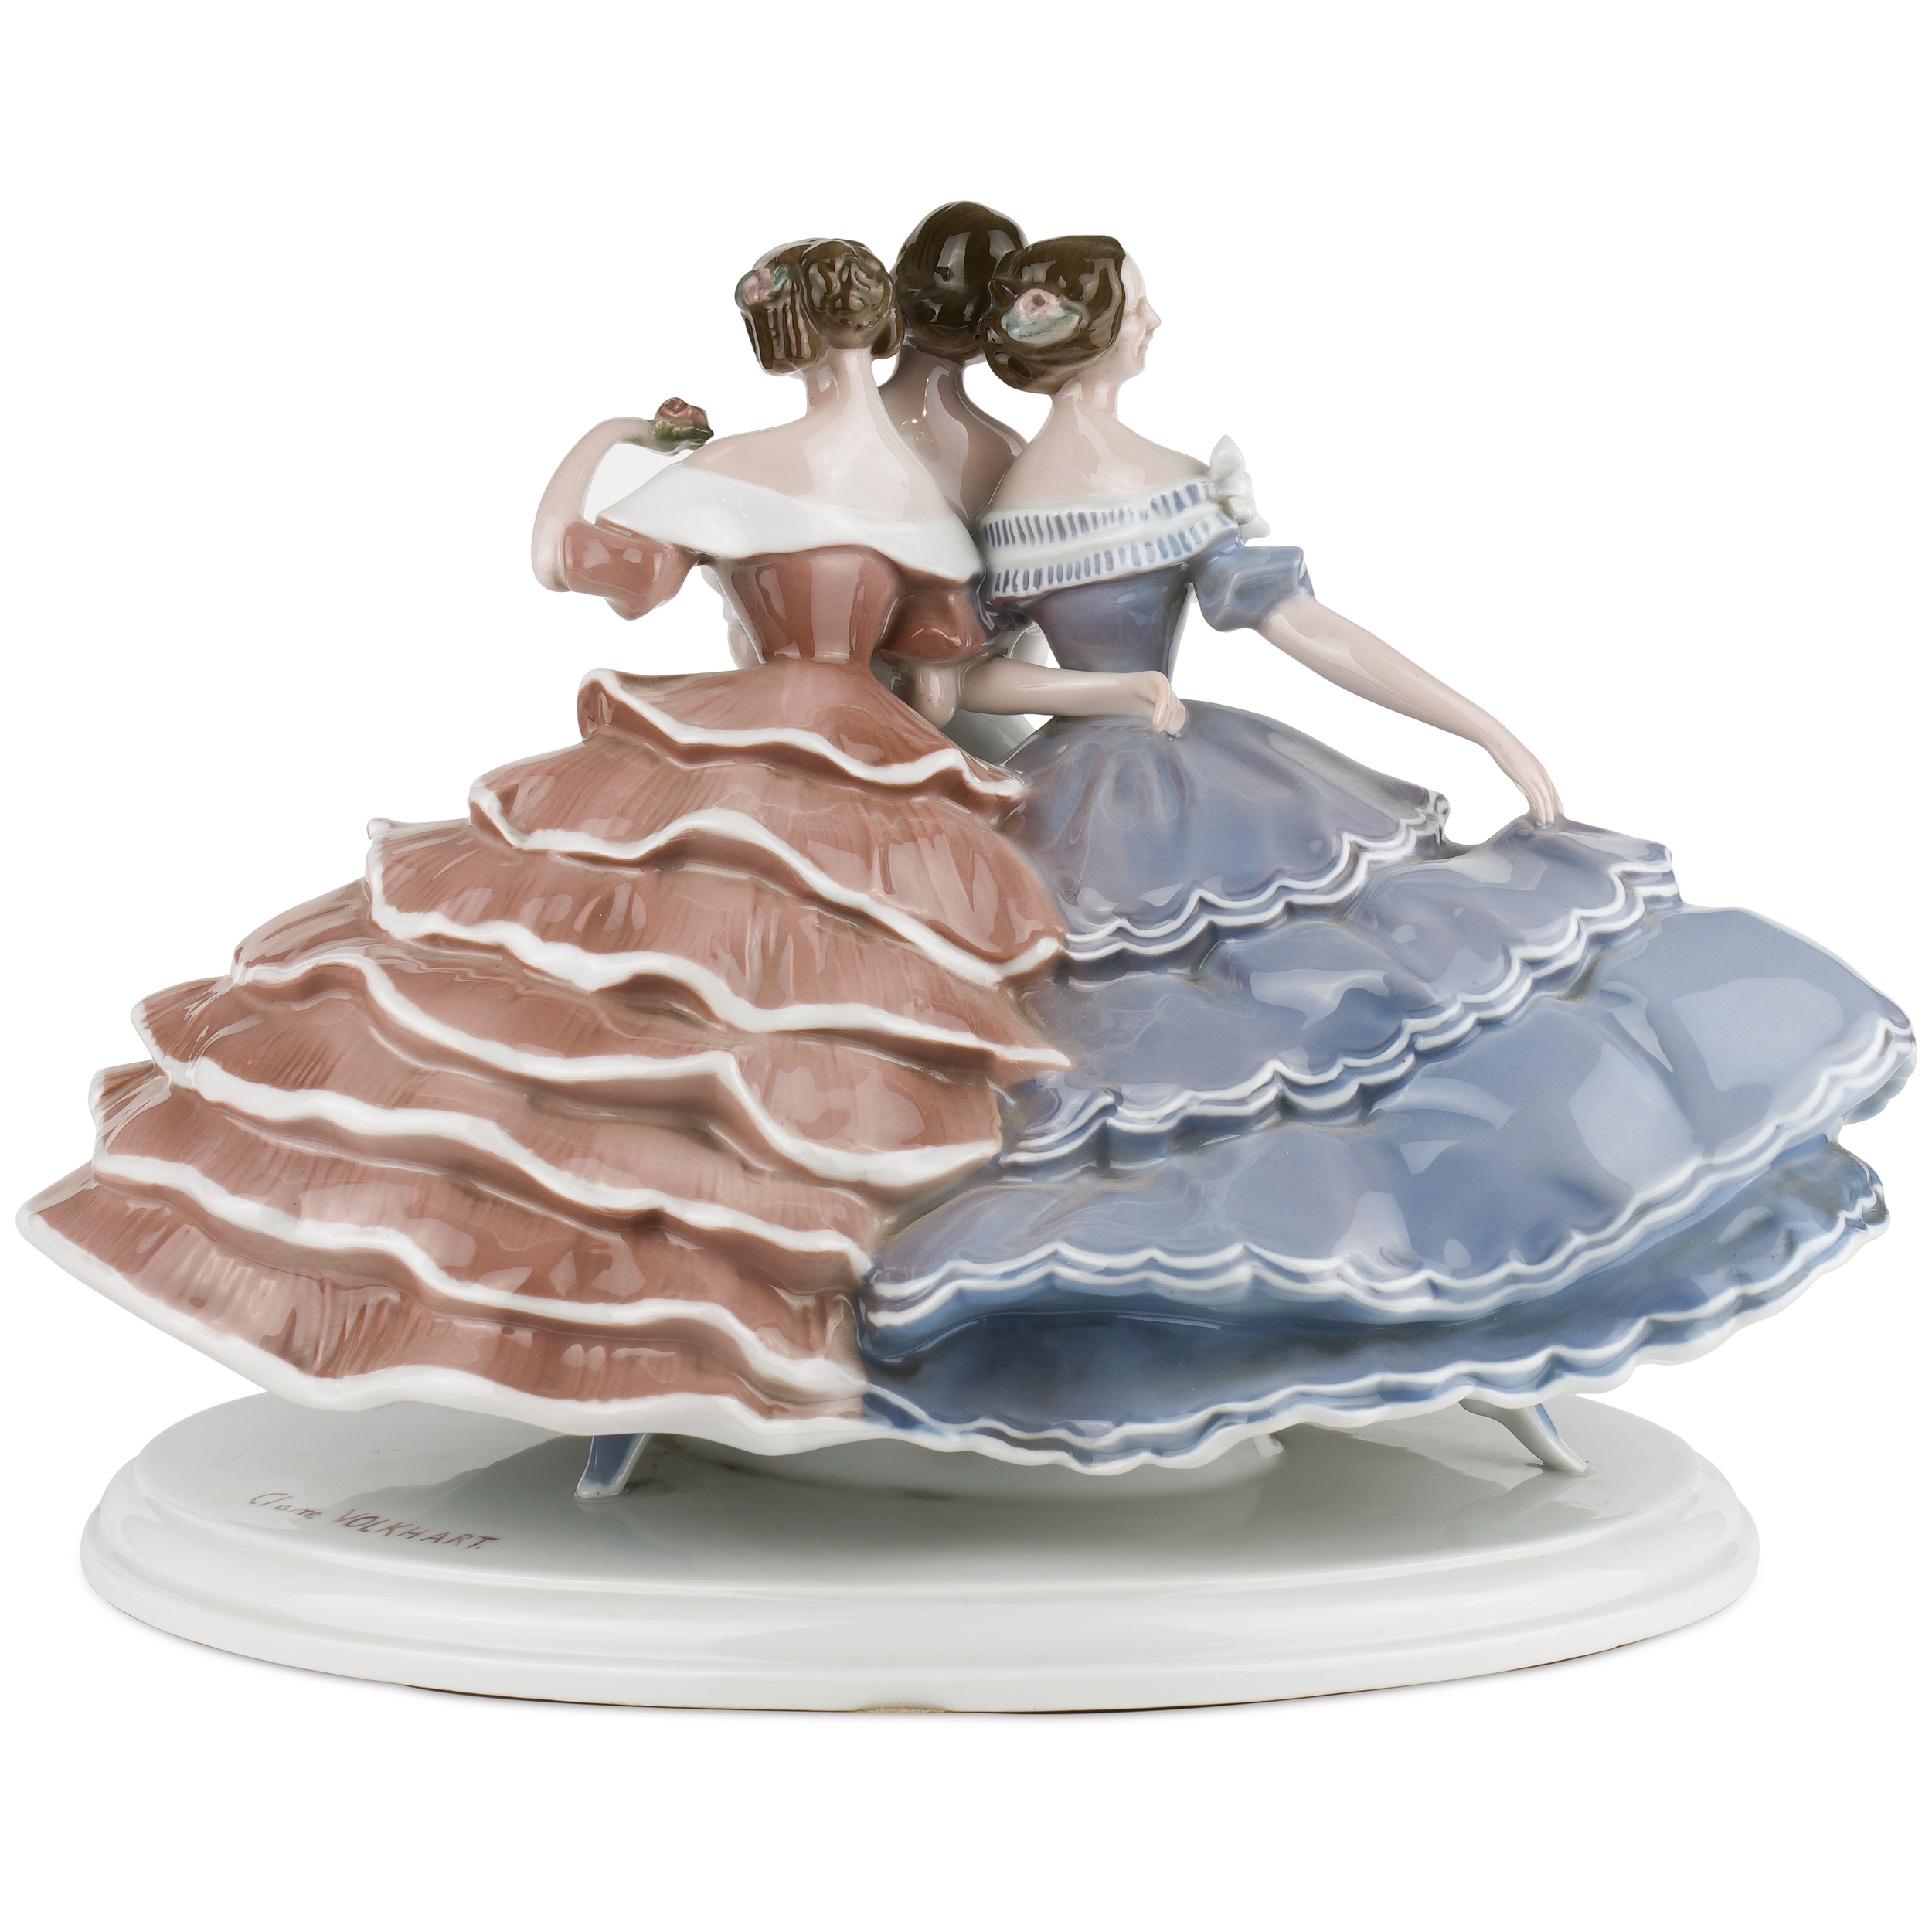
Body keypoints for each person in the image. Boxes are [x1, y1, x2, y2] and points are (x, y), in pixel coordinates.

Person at [862, 236, 1914, 1468]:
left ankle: (1456, 1326)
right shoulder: (1113, 490)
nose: (1158, 321)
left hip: (1195, 783)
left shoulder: (1093, 488)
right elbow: (964, 680)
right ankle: (1300, 1324)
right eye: (1141, 305)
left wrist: (1478, 725)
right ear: (1096, 333)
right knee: (1172, 1056)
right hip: (1098, 801)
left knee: (1328, 1029)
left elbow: (1289, 637)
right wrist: (1106, 695)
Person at [22, 239, 1083, 1460]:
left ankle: (552, 1326)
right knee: (794, 1024)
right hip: (867, 765)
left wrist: (616, 439)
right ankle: (742, 1316)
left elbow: (571, 560)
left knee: (601, 1008)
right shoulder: (920, 500)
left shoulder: (743, 468)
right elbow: (940, 686)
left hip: (727, 737)